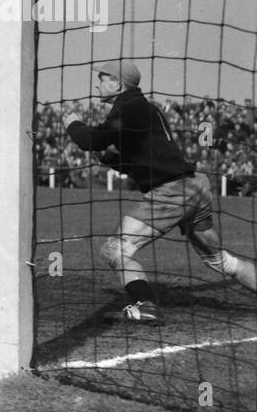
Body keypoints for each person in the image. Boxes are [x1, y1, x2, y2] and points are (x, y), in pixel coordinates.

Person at [63, 61, 256, 324]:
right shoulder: (145, 108)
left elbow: (89, 140)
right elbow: (144, 160)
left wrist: (72, 123)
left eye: (102, 78)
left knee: (114, 249)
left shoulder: (128, 107)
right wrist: (111, 159)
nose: (97, 83)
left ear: (118, 84)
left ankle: (145, 305)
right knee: (219, 260)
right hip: (194, 185)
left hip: (172, 191)